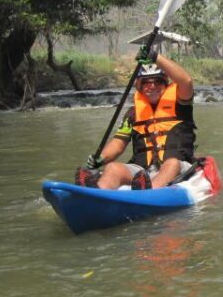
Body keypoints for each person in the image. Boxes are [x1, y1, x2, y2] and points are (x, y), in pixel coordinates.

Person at [75, 46, 196, 190]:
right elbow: (119, 142)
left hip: (177, 166)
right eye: (146, 82)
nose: (152, 86)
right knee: (113, 168)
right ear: (140, 86)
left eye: (157, 81)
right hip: (142, 172)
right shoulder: (133, 114)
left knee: (171, 164)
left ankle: (148, 193)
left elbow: (186, 81)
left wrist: (155, 57)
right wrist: (101, 158)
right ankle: (95, 192)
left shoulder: (179, 103)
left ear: (165, 84)